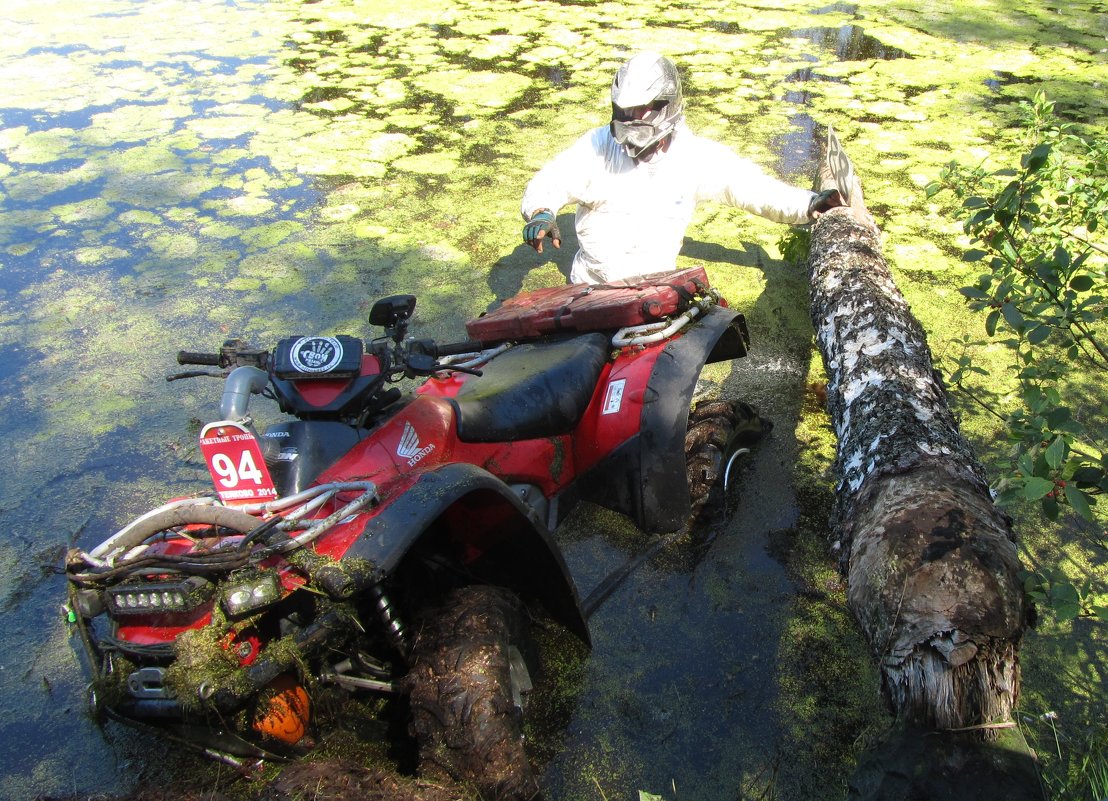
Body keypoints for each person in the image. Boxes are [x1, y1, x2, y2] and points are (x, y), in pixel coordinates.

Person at [521, 52, 844, 284]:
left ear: (666, 106)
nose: (629, 119)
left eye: (639, 111)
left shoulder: (695, 158)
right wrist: (541, 211)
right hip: (590, 285)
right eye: (623, 110)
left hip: (654, 287)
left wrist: (809, 203)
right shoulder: (598, 146)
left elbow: (751, 187)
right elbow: (554, 178)